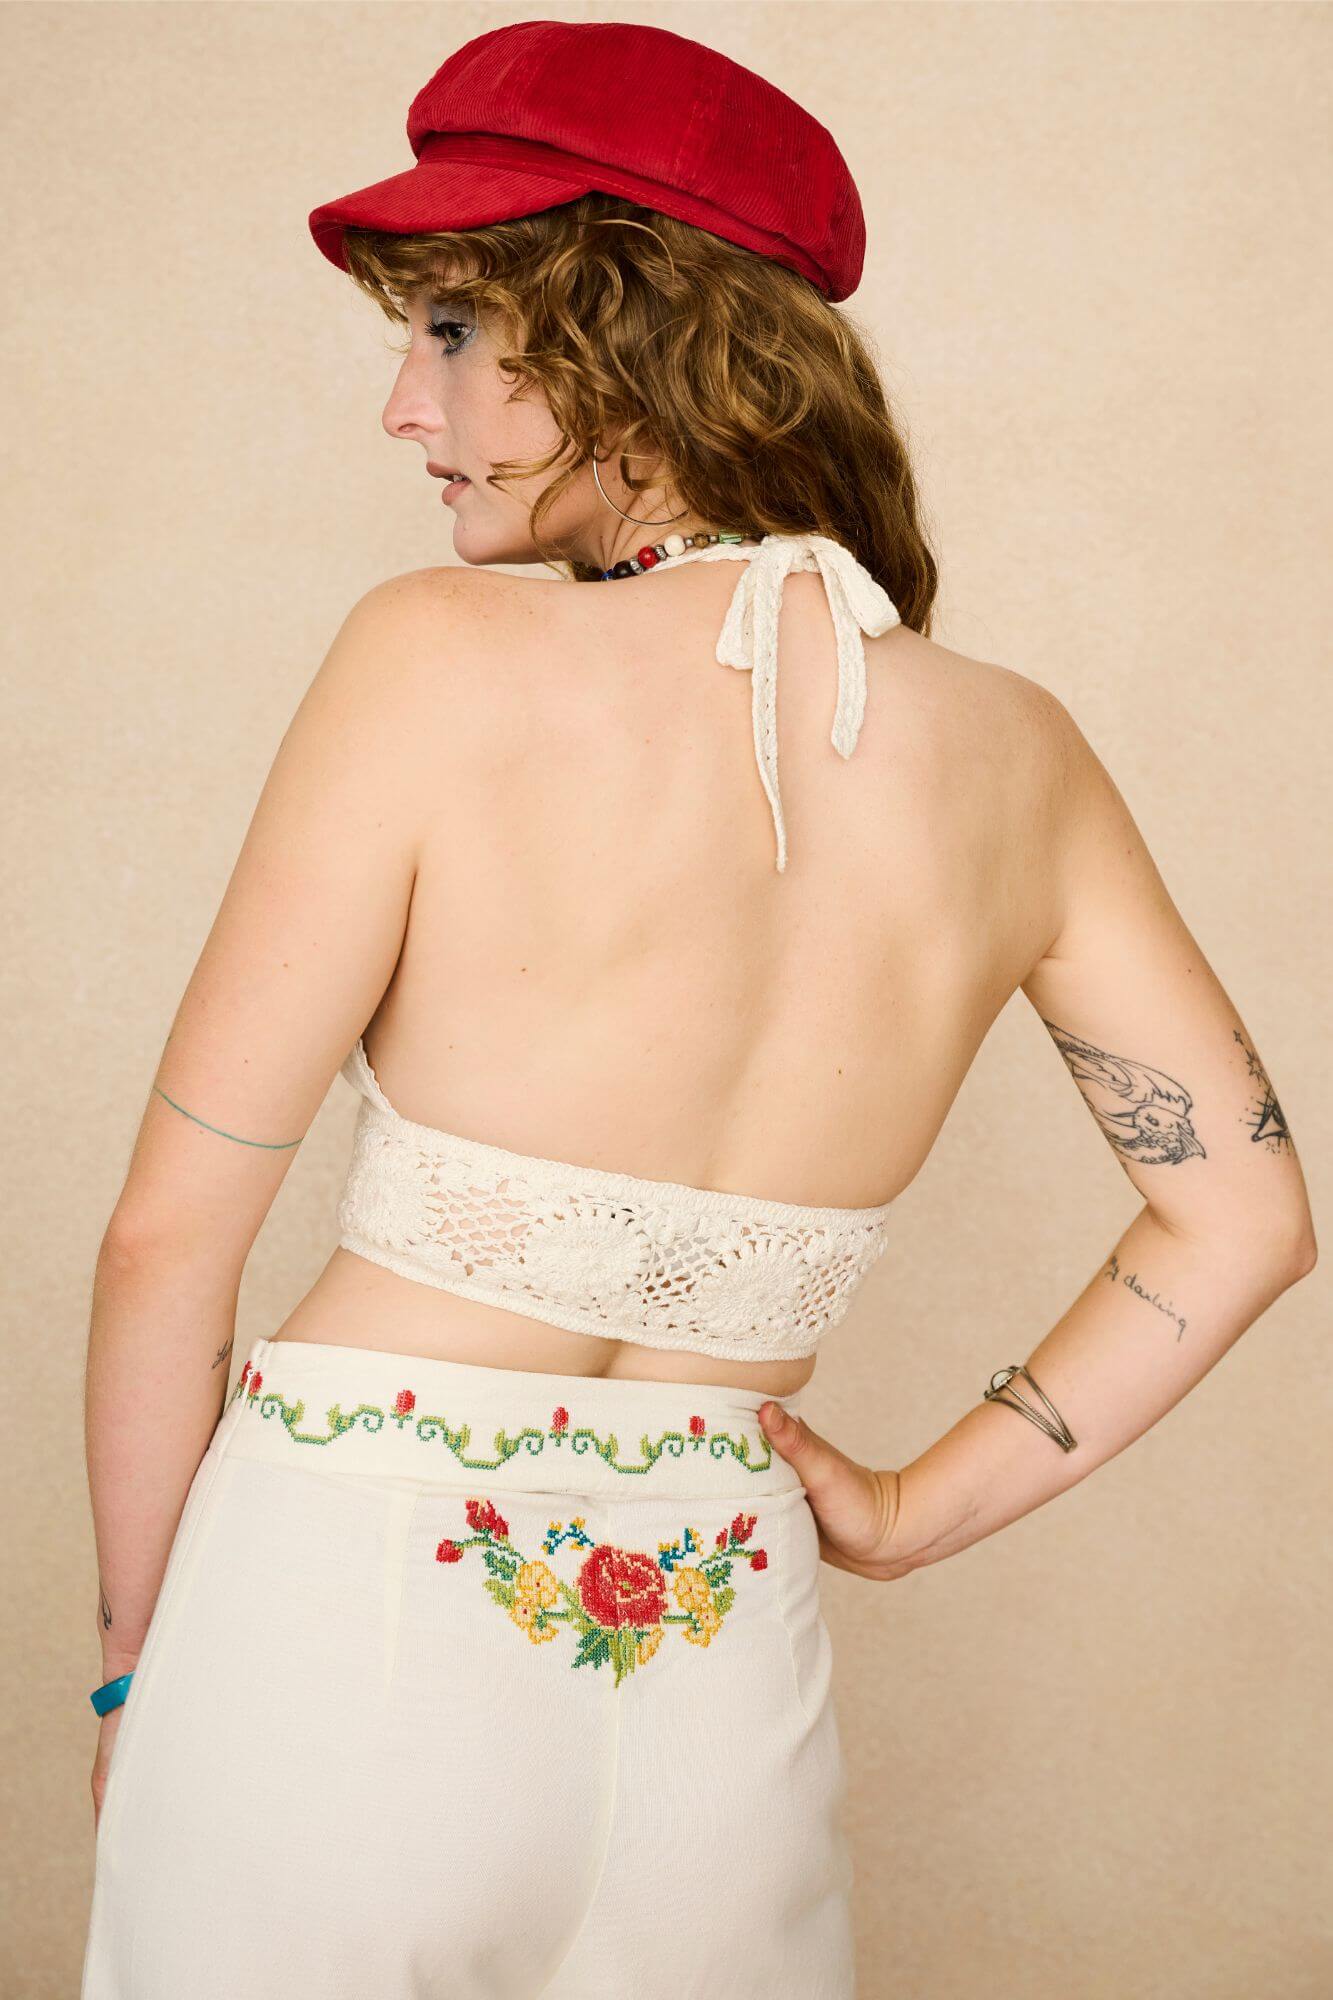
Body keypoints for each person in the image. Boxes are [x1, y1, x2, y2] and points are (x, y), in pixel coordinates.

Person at [79, 19, 1317, 2000]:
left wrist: (139, 1667)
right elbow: (1246, 1217)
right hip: (719, 1654)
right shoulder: (1020, 754)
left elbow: (164, 1243)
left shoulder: (429, 659)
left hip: (347, 1623)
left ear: (634, 337)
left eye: (459, 329)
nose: (410, 405)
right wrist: (905, 1511)